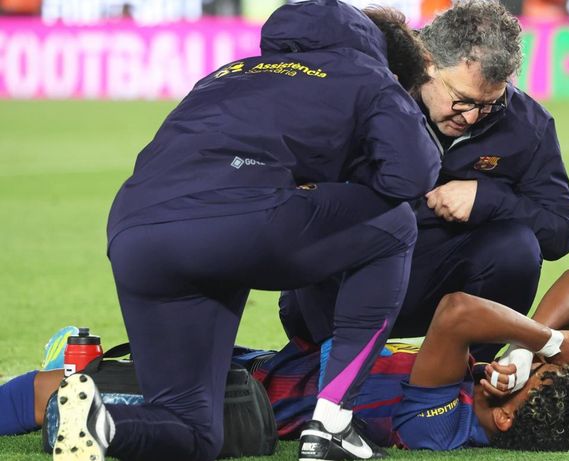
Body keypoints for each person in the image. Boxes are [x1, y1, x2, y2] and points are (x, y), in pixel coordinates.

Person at [49, 1, 441, 460]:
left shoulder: (229, 72)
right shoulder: (368, 74)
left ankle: (100, 423)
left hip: (136, 232)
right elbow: (413, 175)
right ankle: (333, 423)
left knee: (194, 430)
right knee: (395, 224)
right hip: (236, 226)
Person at [1, 266, 569, 453]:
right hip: (267, 366)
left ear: (505, 418)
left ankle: (83, 387)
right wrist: (529, 349)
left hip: (242, 399)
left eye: (535, 379)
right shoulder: (487, 388)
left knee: (54, 390)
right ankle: (86, 374)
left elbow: (455, 311)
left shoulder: (442, 422)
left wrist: (545, 343)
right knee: (102, 364)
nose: (527, 369)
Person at [281, 0, 569, 363]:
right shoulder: (371, 91)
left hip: (435, 281)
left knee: (517, 248)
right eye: (462, 100)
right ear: (427, 63)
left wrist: (487, 198)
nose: (472, 117)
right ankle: (332, 357)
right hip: (344, 280)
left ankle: (467, 373)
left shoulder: (528, 124)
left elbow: (560, 230)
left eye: (489, 105)